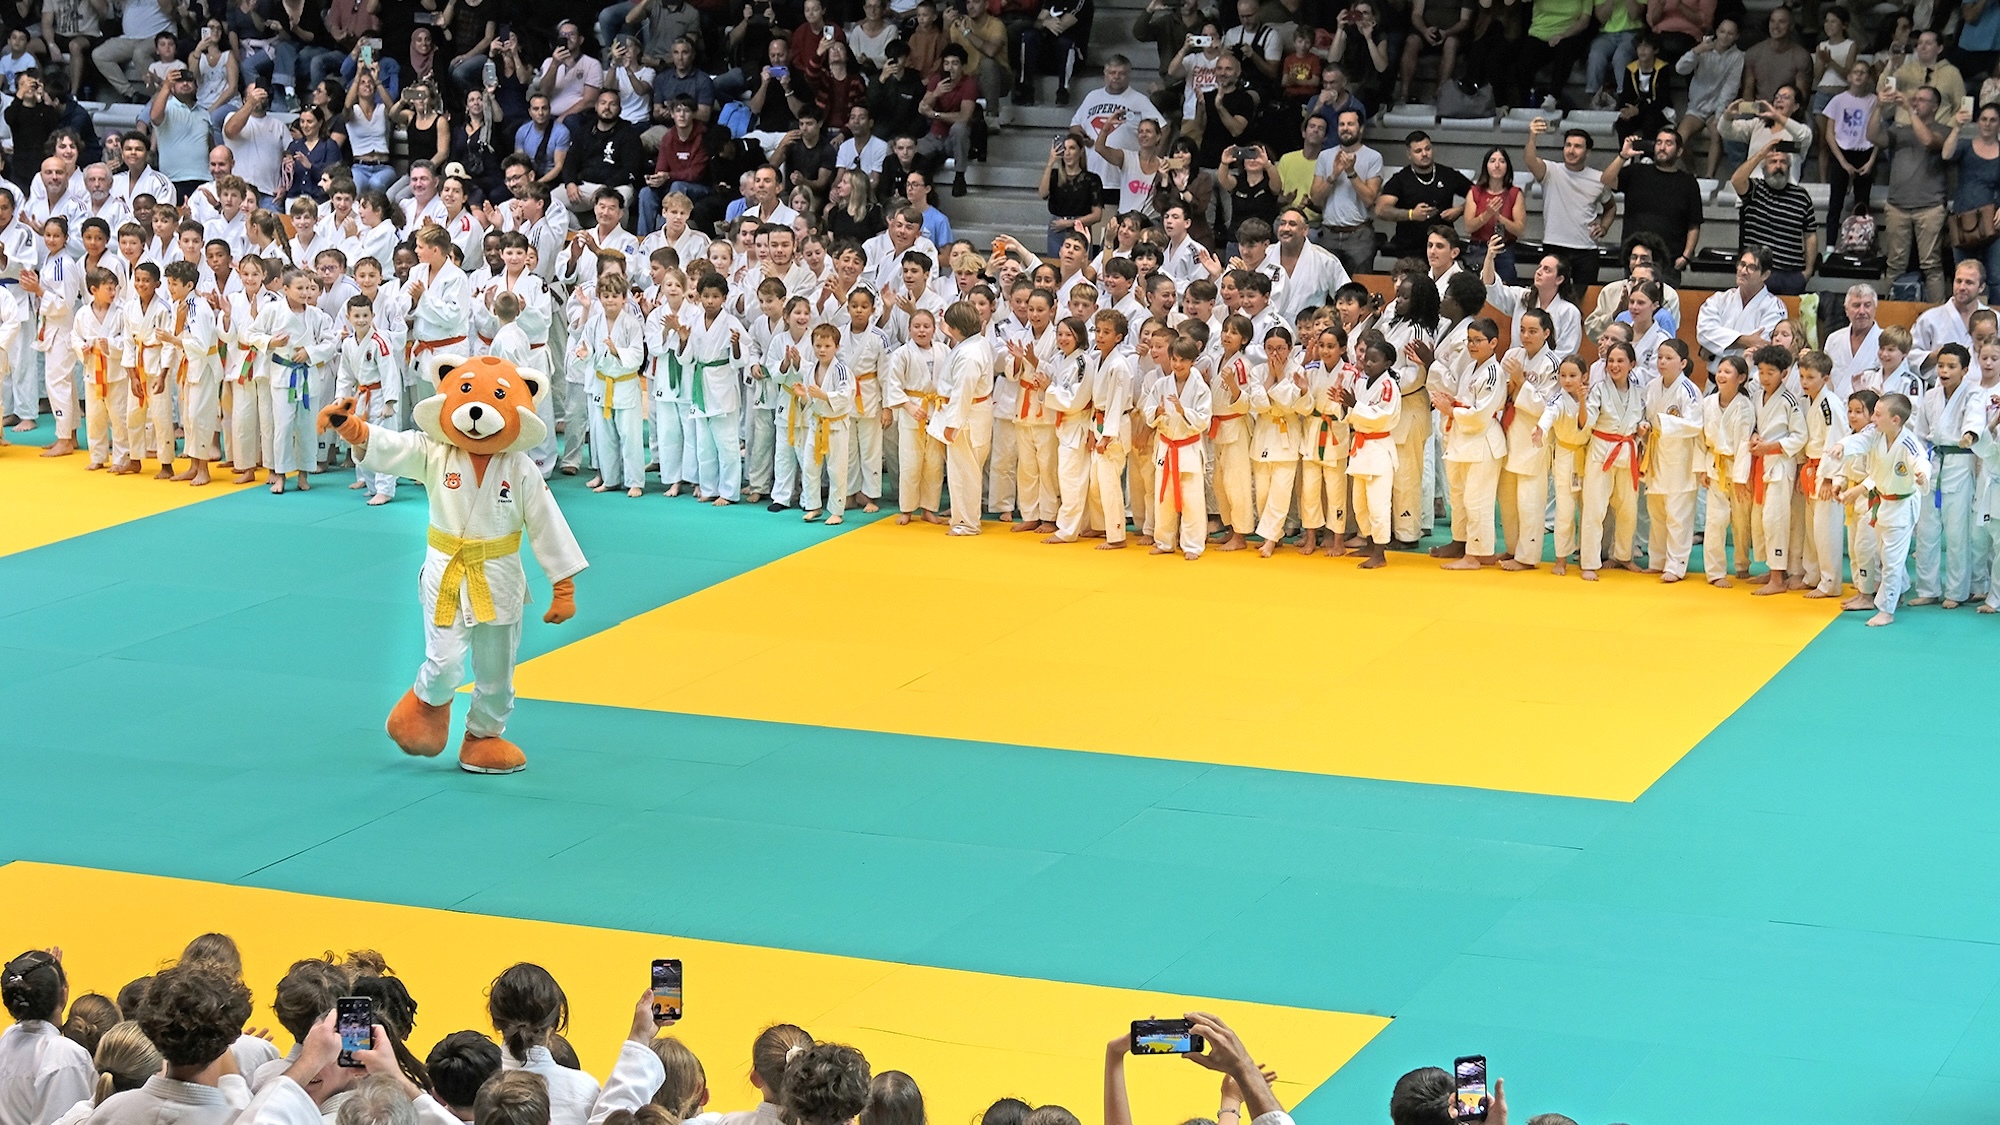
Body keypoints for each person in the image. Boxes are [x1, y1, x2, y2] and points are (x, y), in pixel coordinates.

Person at [1840, 391, 1927, 624]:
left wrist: (1921, 476)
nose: (1873, 419)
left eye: (1878, 414)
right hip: (1881, 502)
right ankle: (1901, 588)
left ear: (1895, 420)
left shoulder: (1908, 442)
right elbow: (1860, 440)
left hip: (1901, 504)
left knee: (1891, 559)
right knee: (1883, 554)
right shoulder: (1877, 434)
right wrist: (1842, 446)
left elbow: (1921, 460)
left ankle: (1886, 610)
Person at [1870, 84, 1955, 303]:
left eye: (1922, 100)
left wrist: (1908, 109)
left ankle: (1938, 312)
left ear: (1935, 106)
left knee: (1932, 265)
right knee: (1895, 264)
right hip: (1897, 205)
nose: (1916, 102)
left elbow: (1928, 140)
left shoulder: (1944, 130)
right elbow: (1872, 136)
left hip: (1930, 206)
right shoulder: (1899, 131)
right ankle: (1891, 310)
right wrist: (1878, 107)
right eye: (1914, 99)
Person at [1600, 126, 1702, 281]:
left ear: (1679, 151)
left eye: (1668, 143)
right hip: (1635, 258)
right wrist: (1622, 156)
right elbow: (1606, 180)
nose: (1662, 147)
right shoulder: (1637, 172)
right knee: (1635, 303)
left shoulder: (1688, 182)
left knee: (1665, 304)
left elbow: (1694, 224)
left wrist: (1686, 256)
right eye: (1659, 142)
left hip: (1668, 261)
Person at [1524, 118, 1614, 288]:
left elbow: (1610, 207)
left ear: (1588, 152)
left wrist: (1604, 227)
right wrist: (1532, 136)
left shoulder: (1599, 178)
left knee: (1584, 301)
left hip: (1587, 249)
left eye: (1578, 146)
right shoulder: (1551, 171)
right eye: (1568, 145)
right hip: (1554, 245)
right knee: (1550, 296)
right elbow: (1530, 160)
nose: (1571, 150)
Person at [1732, 138, 1819, 294]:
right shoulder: (1754, 189)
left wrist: (1807, 272)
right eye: (1772, 162)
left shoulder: (1801, 196)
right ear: (1764, 168)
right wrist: (1761, 153)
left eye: (1783, 162)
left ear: (1789, 167)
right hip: (1757, 273)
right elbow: (1736, 180)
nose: (1778, 166)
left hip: (1792, 276)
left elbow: (1810, 234)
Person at [1373, 132, 1470, 261]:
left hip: (1443, 247)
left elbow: (1478, 194)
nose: (1424, 154)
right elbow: (1381, 209)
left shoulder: (1448, 174)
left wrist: (1460, 210)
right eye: (1418, 151)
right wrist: (1411, 214)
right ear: (1409, 154)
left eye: (1427, 149)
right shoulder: (1401, 179)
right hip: (1410, 249)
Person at [1945, 101, 2000, 304]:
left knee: (1996, 277)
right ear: (1978, 122)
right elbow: (1946, 154)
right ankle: (1961, 317)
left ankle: (1996, 321)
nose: (1987, 124)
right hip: (1963, 218)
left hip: (1992, 221)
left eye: (1993, 120)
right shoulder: (1966, 145)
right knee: (1962, 277)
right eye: (1983, 119)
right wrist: (1957, 127)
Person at [1675, 19, 1743, 178]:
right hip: (1696, 108)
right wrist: (1696, 51)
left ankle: (1709, 176)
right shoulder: (1703, 48)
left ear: (1736, 36)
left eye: (1730, 33)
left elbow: (1730, 89)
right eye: (1722, 31)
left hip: (1718, 108)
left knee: (1716, 134)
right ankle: (1692, 173)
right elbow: (1680, 69)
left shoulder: (1737, 57)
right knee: (1679, 140)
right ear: (1717, 32)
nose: (1725, 36)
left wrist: (1719, 115)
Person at [1820, 60, 1878, 246]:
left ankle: (1860, 245)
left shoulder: (1874, 101)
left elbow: (1879, 133)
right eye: (1856, 72)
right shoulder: (1838, 100)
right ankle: (1830, 245)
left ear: (1868, 77)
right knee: (1835, 202)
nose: (1859, 75)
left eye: (1863, 72)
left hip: (1865, 153)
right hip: (1842, 153)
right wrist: (1842, 162)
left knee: (1862, 202)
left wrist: (1871, 161)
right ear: (1849, 76)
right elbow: (1829, 133)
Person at [1696, 247, 1786, 359]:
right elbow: (1704, 333)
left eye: (1751, 267)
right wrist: (1745, 340)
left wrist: (1716, 347)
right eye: (1742, 264)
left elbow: (1762, 346)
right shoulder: (1719, 299)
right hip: (1715, 375)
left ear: (1765, 275)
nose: (1743, 271)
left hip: (1752, 374)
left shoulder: (1774, 307)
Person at [916, 47, 977, 197]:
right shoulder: (937, 80)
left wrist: (936, 115)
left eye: (955, 63)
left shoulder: (969, 84)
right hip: (934, 135)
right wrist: (936, 93)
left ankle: (960, 176)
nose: (950, 67)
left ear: (963, 66)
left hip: (953, 138)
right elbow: (922, 108)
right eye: (947, 63)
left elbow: (964, 117)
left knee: (960, 128)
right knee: (909, 151)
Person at [1740, 6, 1810, 103]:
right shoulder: (1753, 53)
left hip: (1786, 111)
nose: (1776, 26)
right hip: (1759, 109)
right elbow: (1748, 91)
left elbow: (1801, 98)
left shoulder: (1801, 56)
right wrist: (1751, 113)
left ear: (1791, 26)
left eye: (1781, 22)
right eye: (1772, 21)